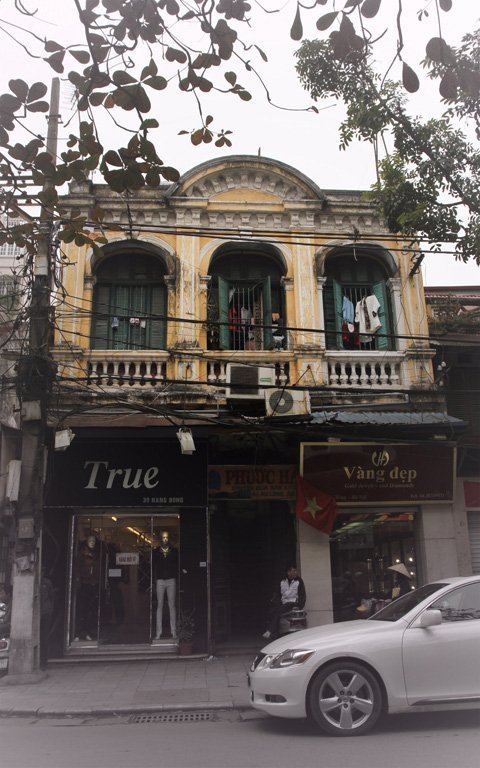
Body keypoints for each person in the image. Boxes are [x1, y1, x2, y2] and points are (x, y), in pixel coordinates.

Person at [262, 565, 306, 640]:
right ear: (288, 572)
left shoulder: (299, 581)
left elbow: (302, 595)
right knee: (272, 611)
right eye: (294, 571)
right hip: (283, 604)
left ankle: (270, 631)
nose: (296, 572)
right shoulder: (282, 581)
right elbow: (278, 594)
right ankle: (275, 634)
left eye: (296, 571)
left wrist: (300, 605)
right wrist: (276, 602)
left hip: (293, 604)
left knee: (279, 611)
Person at [152, 530, 179, 639]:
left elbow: (177, 565)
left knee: (172, 605)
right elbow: (153, 566)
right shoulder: (156, 552)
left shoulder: (174, 551)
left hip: (171, 579)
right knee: (160, 605)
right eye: (163, 537)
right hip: (160, 580)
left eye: (167, 537)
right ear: (160, 539)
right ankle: (158, 632)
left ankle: (174, 631)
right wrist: (154, 581)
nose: (165, 539)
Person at [40, 568, 55, 669]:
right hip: (38, 613)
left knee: (44, 637)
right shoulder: (36, 583)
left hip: (45, 612)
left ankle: (44, 661)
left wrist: (50, 609)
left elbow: (51, 597)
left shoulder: (47, 583)